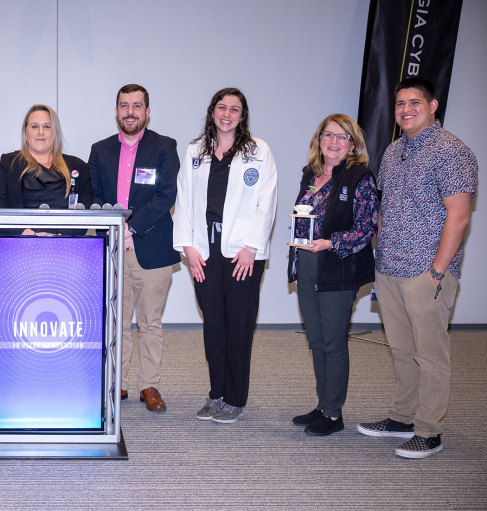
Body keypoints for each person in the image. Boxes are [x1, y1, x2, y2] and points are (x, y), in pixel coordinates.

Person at [357, 78, 478, 458]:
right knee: (402, 349)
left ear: (433, 105)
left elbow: (458, 217)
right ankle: (402, 417)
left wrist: (438, 272)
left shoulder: (452, 152)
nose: (406, 109)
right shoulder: (394, 152)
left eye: (414, 102)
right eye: (399, 104)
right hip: (390, 267)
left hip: (427, 272)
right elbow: (387, 209)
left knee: (430, 353)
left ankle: (429, 430)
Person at [173, 88, 277, 423]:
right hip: (204, 250)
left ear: (242, 115)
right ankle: (215, 392)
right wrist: (188, 248)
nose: (227, 114)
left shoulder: (259, 151)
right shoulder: (195, 151)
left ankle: (234, 398)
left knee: (239, 324)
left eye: (235, 109)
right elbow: (185, 201)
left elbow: (266, 203)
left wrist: (252, 248)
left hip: (243, 254)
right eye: (222, 107)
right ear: (212, 112)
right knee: (213, 324)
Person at [89, 84, 180, 411]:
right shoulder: (100, 151)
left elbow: (165, 196)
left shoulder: (164, 148)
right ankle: (118, 384)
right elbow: (95, 197)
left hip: (152, 247)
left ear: (147, 111)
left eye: (137, 106)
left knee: (149, 322)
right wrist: (115, 229)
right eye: (124, 106)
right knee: (116, 321)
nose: (130, 112)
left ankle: (149, 385)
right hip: (113, 248)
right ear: (116, 111)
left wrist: (132, 226)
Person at [287, 114, 377, 436]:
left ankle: (334, 414)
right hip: (308, 265)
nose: (334, 142)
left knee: (333, 342)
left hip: (338, 266)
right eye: (329, 135)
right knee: (315, 340)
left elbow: (366, 228)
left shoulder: (359, 178)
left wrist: (332, 242)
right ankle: (323, 404)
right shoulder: (309, 174)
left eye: (342, 137)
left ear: (352, 144)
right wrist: (296, 264)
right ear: (319, 140)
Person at [0, 103, 93, 235]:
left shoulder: (79, 167)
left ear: (55, 133)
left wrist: (59, 238)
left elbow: (86, 212)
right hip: (17, 244)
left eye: (47, 126)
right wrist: (30, 235)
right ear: (26, 132)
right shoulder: (7, 164)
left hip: (65, 247)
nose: (41, 132)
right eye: (35, 126)